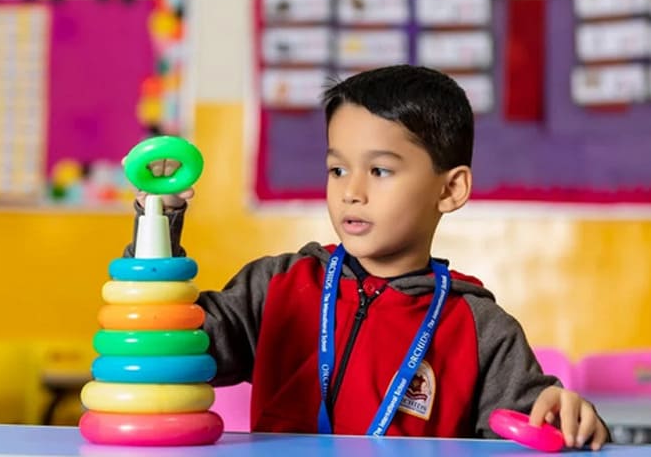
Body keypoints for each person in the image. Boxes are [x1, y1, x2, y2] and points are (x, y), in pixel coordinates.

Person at [124, 65, 609, 449]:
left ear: (451, 188)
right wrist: (156, 224)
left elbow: (528, 428)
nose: (351, 191)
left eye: (379, 170)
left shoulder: (481, 328)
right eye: (337, 169)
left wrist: (564, 415)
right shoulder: (278, 285)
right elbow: (167, 345)